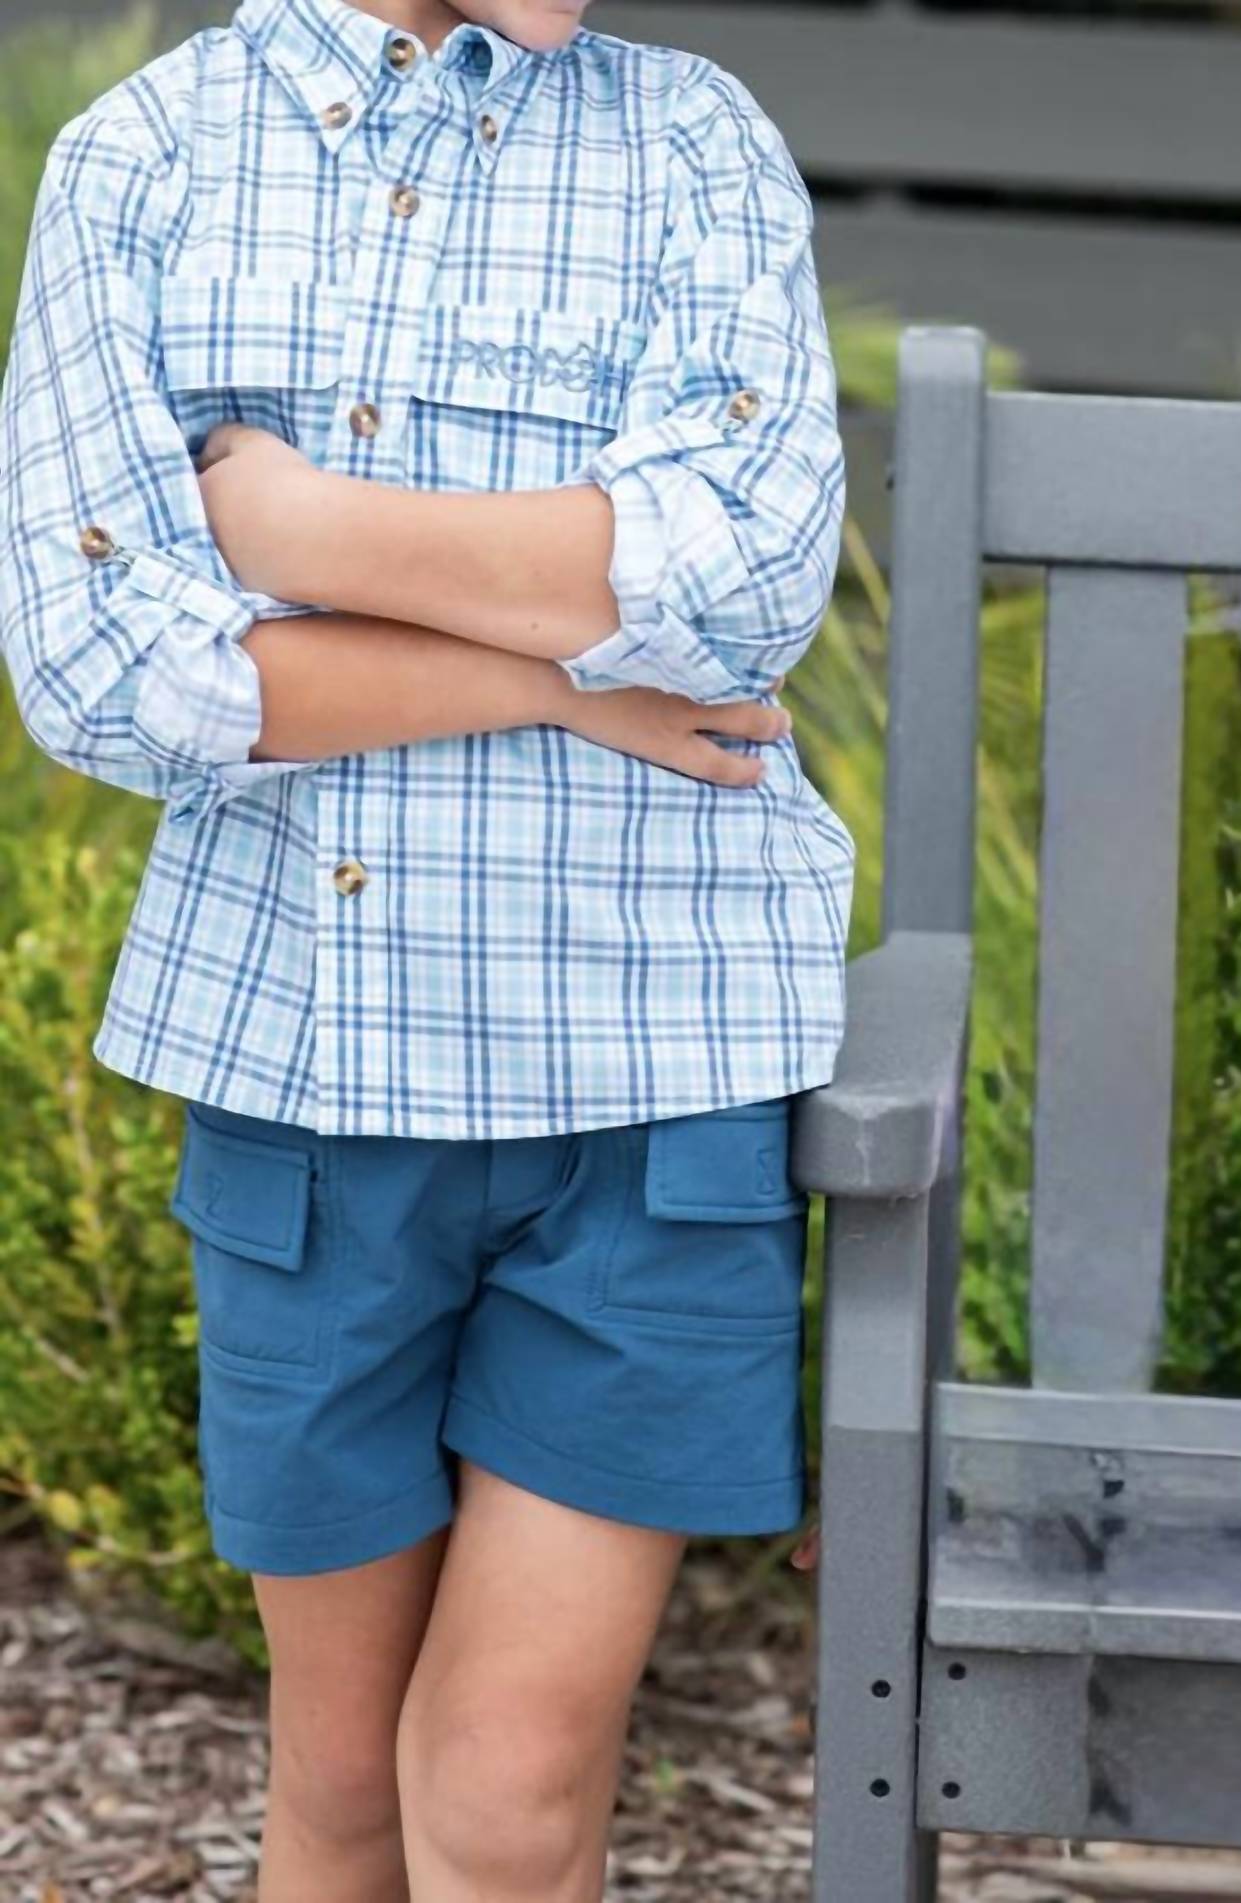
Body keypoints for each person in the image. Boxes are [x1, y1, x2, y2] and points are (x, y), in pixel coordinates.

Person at [0, 0, 851, 1893]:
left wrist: (297, 527)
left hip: (652, 1089)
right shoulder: (148, 161)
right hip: (308, 1084)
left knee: (507, 1787)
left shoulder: (691, 140)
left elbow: (742, 581)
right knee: (340, 1788)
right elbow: (110, 670)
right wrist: (557, 680)